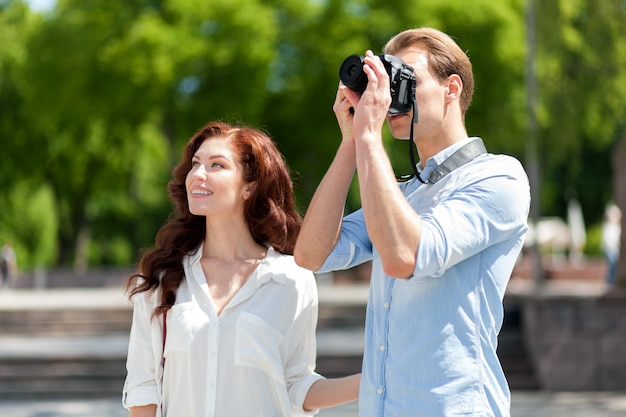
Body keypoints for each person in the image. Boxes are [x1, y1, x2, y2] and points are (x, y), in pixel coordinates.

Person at [294, 27, 530, 417]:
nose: (389, 99)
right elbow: (312, 254)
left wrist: (370, 137)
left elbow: (408, 255)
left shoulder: (498, 177)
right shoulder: (401, 194)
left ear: (451, 88)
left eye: (405, 81)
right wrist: (352, 140)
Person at [122, 121, 359, 417]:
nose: (198, 175)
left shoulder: (292, 279)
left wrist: (370, 382)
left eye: (216, 165)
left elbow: (296, 385)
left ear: (250, 185)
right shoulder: (164, 277)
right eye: (195, 164)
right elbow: (143, 390)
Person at [601, 202, 621, 286]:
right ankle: (610, 282)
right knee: (612, 266)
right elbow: (608, 239)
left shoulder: (616, 226)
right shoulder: (608, 226)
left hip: (615, 250)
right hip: (611, 250)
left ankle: (610, 281)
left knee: (612, 267)